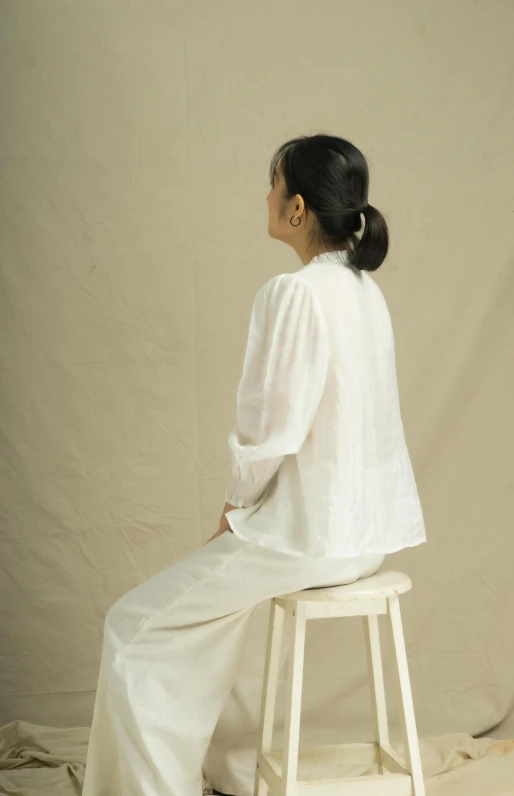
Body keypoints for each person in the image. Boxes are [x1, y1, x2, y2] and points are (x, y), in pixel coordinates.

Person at [81, 133, 426, 796]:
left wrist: (235, 510)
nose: (264, 197)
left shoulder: (293, 294)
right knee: (200, 618)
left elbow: (273, 431)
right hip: (370, 536)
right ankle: (200, 770)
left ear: (297, 208)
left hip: (308, 537)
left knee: (130, 627)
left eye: (272, 185)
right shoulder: (364, 292)